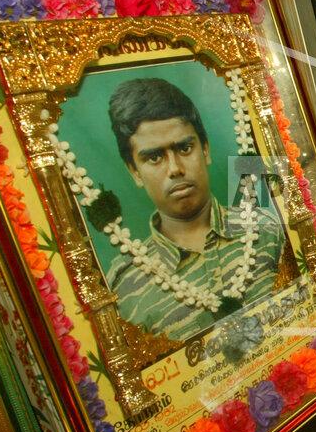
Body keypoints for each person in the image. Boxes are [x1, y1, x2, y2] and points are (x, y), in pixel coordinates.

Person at [105, 77, 286, 341]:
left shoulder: (266, 228)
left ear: (205, 149)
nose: (175, 168)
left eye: (184, 148)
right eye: (154, 157)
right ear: (134, 171)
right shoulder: (124, 286)